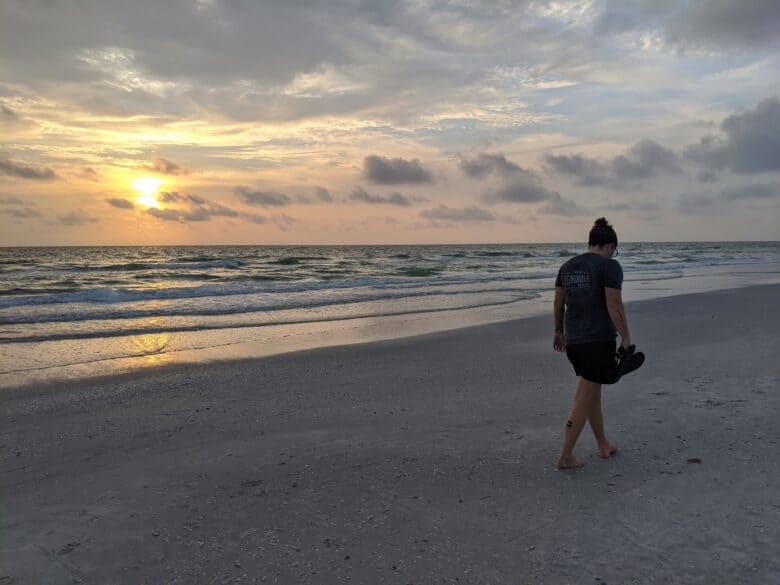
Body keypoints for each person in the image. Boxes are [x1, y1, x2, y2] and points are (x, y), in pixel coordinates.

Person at [552, 217, 632, 469]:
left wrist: (558, 331)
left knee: (592, 394)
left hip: (574, 342)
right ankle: (565, 456)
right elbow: (614, 305)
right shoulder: (609, 266)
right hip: (597, 341)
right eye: (613, 250)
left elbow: (558, 303)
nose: (613, 254)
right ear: (609, 245)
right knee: (583, 396)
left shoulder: (567, 266)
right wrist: (626, 337)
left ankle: (603, 444)